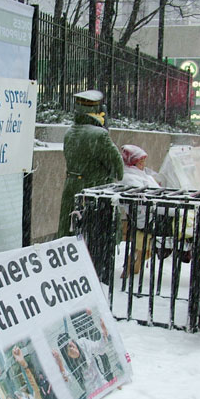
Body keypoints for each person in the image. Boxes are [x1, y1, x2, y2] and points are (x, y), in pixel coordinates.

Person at [57, 90, 124, 238]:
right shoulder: (100, 135)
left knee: (72, 232)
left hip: (72, 190)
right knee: (96, 237)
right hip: (94, 192)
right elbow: (118, 169)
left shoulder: (70, 132)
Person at [119, 144, 160, 275]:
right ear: (133, 162)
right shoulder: (129, 178)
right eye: (140, 161)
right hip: (147, 217)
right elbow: (146, 199)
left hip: (152, 214)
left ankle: (134, 265)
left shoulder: (142, 175)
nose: (143, 164)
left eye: (144, 161)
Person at [52, 320, 111, 399]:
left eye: (72, 345)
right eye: (69, 350)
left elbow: (100, 348)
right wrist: (59, 363)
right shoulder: (68, 365)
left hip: (103, 385)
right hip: (92, 396)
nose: (73, 349)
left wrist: (104, 332)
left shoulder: (83, 344)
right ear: (67, 355)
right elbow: (67, 382)